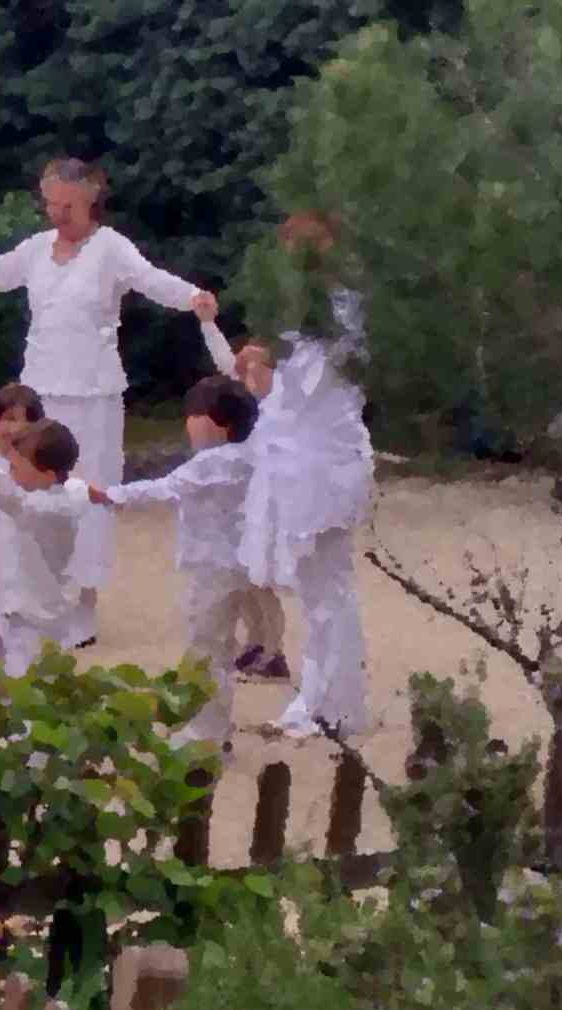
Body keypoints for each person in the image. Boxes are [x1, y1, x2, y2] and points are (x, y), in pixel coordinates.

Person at [0, 158, 219, 646]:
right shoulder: (36, 250)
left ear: (90, 199)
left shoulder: (111, 249)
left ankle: (82, 607)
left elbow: (151, 279)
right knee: (25, 495)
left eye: (67, 205)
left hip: (93, 394)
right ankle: (31, 600)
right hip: (38, 394)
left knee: (86, 493)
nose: (57, 214)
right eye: (51, 204)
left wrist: (193, 298)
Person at [240, 211, 375, 739]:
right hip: (301, 461)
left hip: (324, 465)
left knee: (328, 590)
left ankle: (336, 706)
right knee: (318, 592)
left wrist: (266, 365)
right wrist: (259, 370)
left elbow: (310, 391)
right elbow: (279, 398)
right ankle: (320, 699)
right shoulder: (305, 312)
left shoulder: (344, 308)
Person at [96, 376, 261, 746]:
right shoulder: (250, 455)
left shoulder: (211, 463)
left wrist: (108, 495)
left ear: (218, 422)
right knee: (218, 645)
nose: (189, 422)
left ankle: (207, 733)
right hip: (235, 564)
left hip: (210, 567)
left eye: (195, 415)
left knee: (206, 648)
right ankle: (217, 727)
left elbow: (164, 489)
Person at [0, 412, 93, 675]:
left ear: (47, 475)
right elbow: (78, 487)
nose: (10, 473)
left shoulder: (46, 508)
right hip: (11, 610)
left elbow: (5, 494)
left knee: (27, 695)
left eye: (16, 467)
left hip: (35, 620)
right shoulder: (70, 491)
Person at [200, 325, 291, 681]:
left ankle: (275, 652)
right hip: (248, 507)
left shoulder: (284, 406)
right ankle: (257, 642)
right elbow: (228, 363)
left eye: (256, 368)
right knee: (248, 580)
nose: (247, 374)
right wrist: (208, 324)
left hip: (270, 507)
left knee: (263, 583)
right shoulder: (255, 403)